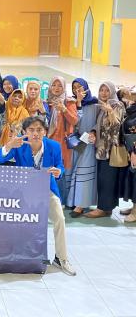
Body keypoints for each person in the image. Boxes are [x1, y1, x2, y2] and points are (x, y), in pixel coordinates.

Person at [0, 116, 76, 276]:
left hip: (47, 188)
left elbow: (60, 165)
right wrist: (9, 145)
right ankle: (19, 255)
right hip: (24, 191)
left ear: (45, 131)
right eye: (31, 130)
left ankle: (61, 258)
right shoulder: (19, 145)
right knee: (20, 222)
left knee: (60, 218)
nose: (35, 133)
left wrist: (59, 172)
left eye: (39, 130)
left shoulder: (53, 146)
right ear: (25, 132)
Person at [85, 82, 126, 218]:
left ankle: (103, 208)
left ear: (112, 91)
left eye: (107, 90)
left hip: (110, 150)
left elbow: (117, 126)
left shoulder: (117, 105)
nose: (103, 93)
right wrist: (93, 132)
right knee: (105, 178)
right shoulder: (102, 106)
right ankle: (107, 208)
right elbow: (99, 125)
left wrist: (110, 111)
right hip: (101, 149)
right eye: (101, 90)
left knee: (107, 179)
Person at [65, 78, 98, 217]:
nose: (77, 89)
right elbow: (73, 121)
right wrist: (77, 102)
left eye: (80, 86)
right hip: (76, 142)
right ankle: (72, 201)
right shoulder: (71, 103)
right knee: (73, 171)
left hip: (88, 143)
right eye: (74, 87)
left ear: (85, 87)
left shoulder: (95, 104)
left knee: (82, 173)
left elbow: (99, 122)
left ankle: (80, 205)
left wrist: (94, 131)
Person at [46, 76, 78, 173]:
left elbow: (74, 121)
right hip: (48, 141)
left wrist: (64, 110)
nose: (56, 88)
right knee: (47, 171)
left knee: (60, 172)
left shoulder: (69, 102)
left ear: (64, 87)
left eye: (60, 86)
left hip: (61, 142)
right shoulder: (48, 102)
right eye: (54, 85)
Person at [121, 99, 136, 222]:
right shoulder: (132, 108)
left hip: (134, 150)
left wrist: (135, 152)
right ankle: (134, 207)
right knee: (132, 179)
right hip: (130, 149)